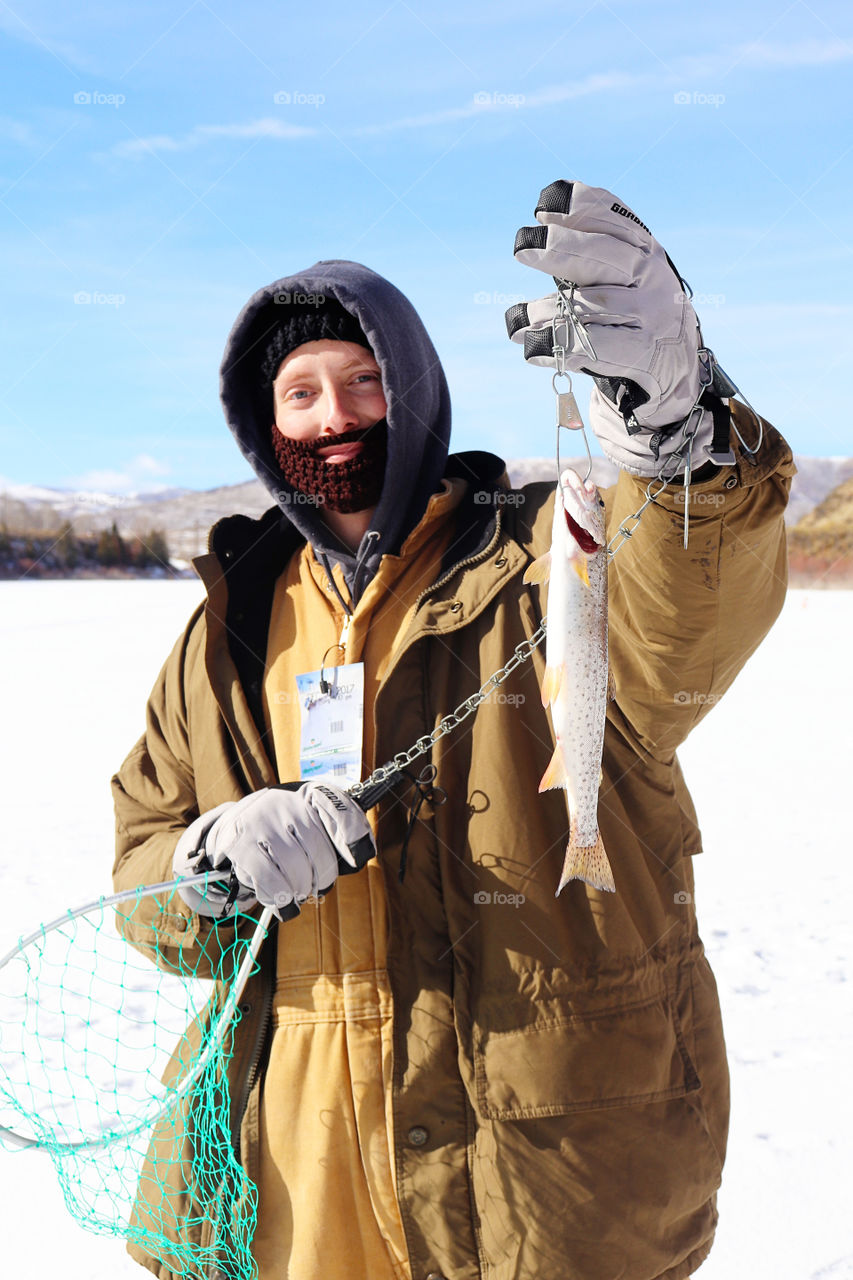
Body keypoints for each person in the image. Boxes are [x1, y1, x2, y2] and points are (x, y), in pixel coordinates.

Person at [112, 181, 795, 1280]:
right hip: (285, 1168)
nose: (332, 415)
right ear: (263, 421)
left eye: (363, 381)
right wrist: (205, 870)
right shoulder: (226, 628)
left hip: (528, 1177)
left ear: (419, 392)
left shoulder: (544, 556)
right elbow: (140, 879)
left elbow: (681, 624)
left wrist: (678, 438)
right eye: (300, 393)